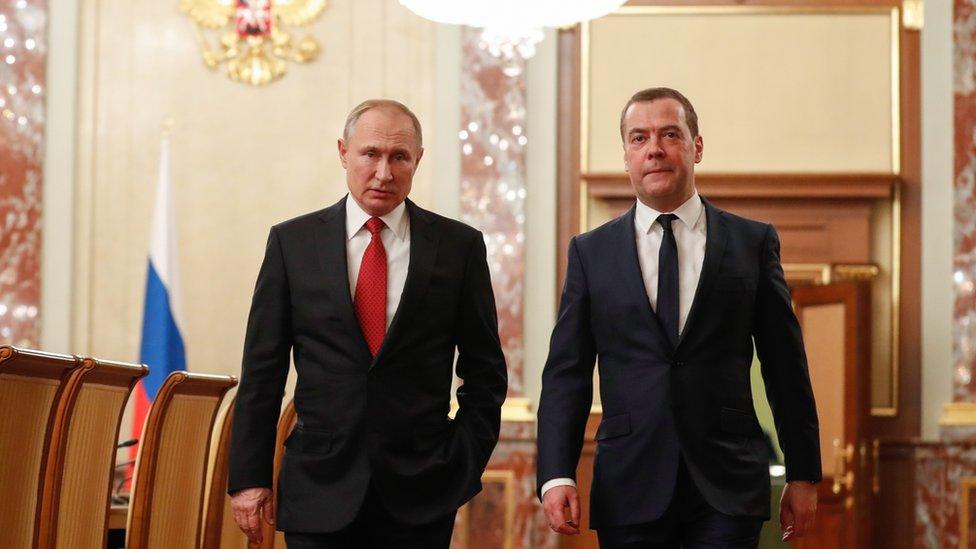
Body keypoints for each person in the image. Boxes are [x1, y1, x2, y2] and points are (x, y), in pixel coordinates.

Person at [536, 87, 821, 547]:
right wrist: (555, 474)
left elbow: (786, 368)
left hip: (727, 485)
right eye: (639, 138)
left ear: (697, 146)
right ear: (626, 155)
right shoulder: (591, 253)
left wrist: (803, 472)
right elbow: (566, 373)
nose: (654, 149)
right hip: (630, 483)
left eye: (670, 134)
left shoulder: (752, 244)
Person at [227, 99, 508, 548]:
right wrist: (249, 478)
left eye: (399, 157)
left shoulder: (458, 247)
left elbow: (485, 371)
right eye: (370, 154)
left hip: (422, 489)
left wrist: (463, 458)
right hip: (318, 487)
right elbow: (263, 371)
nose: (384, 172)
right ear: (343, 153)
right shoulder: (292, 243)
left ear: (418, 160)